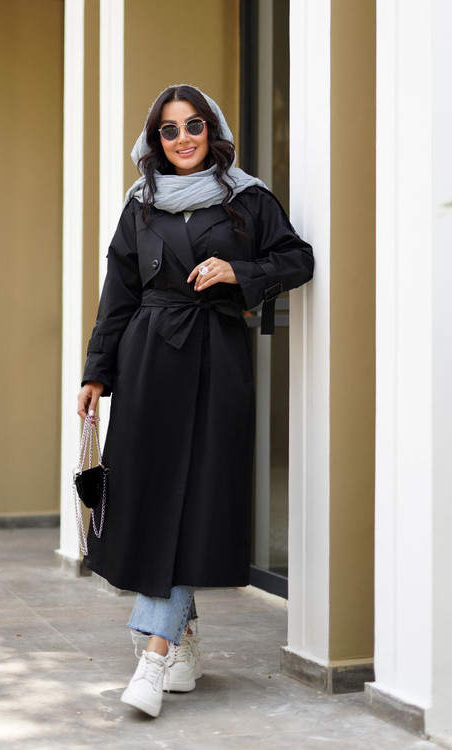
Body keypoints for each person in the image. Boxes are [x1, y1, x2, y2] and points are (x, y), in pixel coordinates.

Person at [77, 84, 314, 718]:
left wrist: (239, 273)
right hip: (148, 363)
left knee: (194, 500)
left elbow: (298, 259)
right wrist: (96, 373)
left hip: (216, 360)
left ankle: (153, 657)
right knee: (154, 498)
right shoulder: (140, 205)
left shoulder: (248, 198)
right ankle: (182, 645)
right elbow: (118, 293)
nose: (182, 138)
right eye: (169, 129)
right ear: (155, 140)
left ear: (213, 131)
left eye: (194, 126)